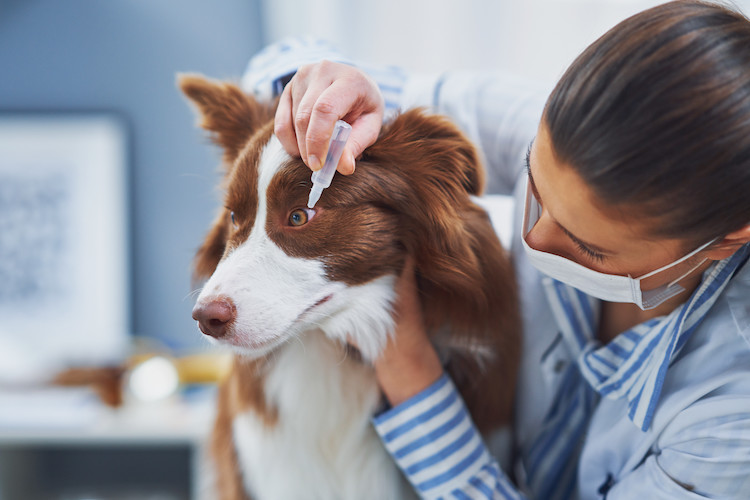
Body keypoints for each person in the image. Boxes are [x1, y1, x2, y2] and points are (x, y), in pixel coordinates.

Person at [242, 1, 750, 498]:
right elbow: (277, 70)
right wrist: (322, 94)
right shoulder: (560, 128)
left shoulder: (731, 416)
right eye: (534, 184)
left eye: (588, 247)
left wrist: (408, 367)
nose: (535, 240)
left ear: (730, 238)